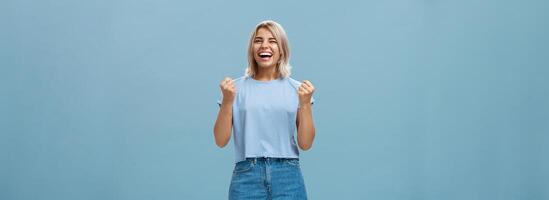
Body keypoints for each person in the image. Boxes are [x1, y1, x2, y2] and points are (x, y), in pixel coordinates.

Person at [213, 20, 316, 200]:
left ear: (282, 49)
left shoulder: (297, 90)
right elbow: (220, 140)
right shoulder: (234, 89)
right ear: (252, 48)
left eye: (272, 41)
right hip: (246, 175)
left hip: (287, 175)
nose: (264, 46)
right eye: (258, 40)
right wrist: (228, 101)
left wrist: (305, 104)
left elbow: (306, 144)